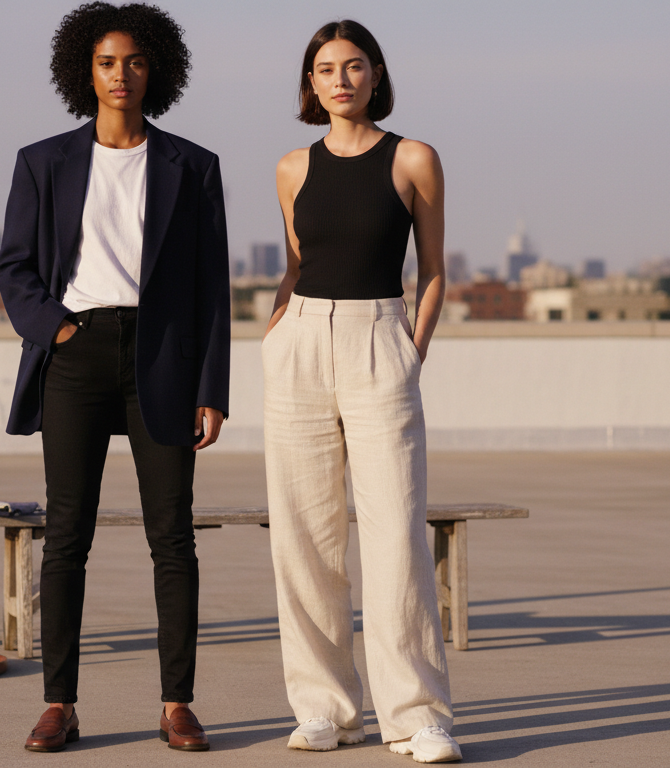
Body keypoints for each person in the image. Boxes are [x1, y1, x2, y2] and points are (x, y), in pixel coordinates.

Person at [0, 2, 230, 753]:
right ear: (83, 72)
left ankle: (177, 704)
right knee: (66, 537)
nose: (120, 75)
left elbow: (211, 290)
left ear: (154, 67)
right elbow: (14, 268)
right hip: (77, 354)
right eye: (105, 62)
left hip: (162, 358)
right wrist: (58, 328)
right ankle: (59, 703)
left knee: (173, 540)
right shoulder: (43, 162)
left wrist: (211, 389)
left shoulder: (193, 167)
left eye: (133, 61)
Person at [262, 19, 461, 764]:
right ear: (310, 85)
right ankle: (324, 709)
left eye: (353, 66)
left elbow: (435, 268)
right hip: (301, 344)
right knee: (305, 537)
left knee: (396, 532)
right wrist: (277, 333)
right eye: (324, 69)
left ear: (376, 74)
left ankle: (417, 717)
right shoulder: (290, 167)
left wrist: (413, 349)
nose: (339, 79)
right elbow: (294, 263)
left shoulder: (414, 157)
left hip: (383, 339)